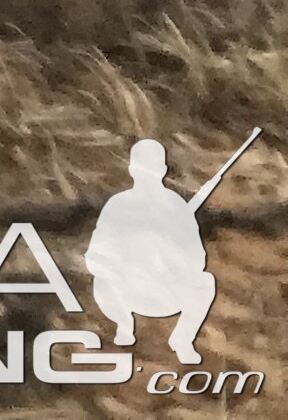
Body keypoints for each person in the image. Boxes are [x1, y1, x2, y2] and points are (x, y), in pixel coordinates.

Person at [87, 138, 218, 364]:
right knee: (101, 281)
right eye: (142, 166)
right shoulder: (118, 204)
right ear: (131, 169)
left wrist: (172, 252)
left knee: (205, 282)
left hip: (167, 291)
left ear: (163, 170)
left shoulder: (176, 207)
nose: (148, 173)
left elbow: (198, 259)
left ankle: (183, 340)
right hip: (126, 292)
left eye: (153, 166)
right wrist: (127, 258)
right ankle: (124, 324)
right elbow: (95, 257)